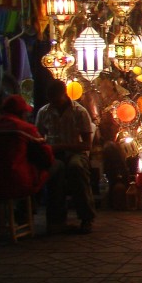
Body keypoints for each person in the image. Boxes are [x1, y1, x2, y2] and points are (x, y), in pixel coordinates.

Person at [35, 79, 97, 234]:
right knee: (55, 170)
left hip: (75, 153)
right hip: (53, 154)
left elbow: (87, 145)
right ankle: (56, 219)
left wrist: (61, 146)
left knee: (76, 168)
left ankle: (86, 217)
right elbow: (39, 137)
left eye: (56, 98)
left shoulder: (79, 112)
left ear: (64, 95)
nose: (53, 102)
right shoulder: (44, 112)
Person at [0, 94, 54, 202]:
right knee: (56, 168)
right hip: (18, 182)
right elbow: (47, 156)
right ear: (21, 112)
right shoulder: (25, 128)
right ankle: (49, 215)